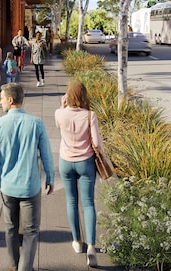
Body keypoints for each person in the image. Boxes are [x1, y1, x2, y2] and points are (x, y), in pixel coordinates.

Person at [0, 82, 54, 271]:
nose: (0, 102)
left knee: (11, 229)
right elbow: (46, 154)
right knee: (30, 231)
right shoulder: (36, 123)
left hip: (8, 187)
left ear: (11, 100)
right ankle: (25, 268)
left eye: (1, 98)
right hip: (30, 187)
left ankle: (14, 265)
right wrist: (50, 177)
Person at [55, 80, 102, 267]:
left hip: (66, 162)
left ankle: (76, 241)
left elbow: (60, 126)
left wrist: (62, 107)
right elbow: (97, 144)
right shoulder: (90, 115)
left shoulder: (59, 114)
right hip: (85, 162)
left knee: (71, 201)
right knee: (88, 203)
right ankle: (91, 245)